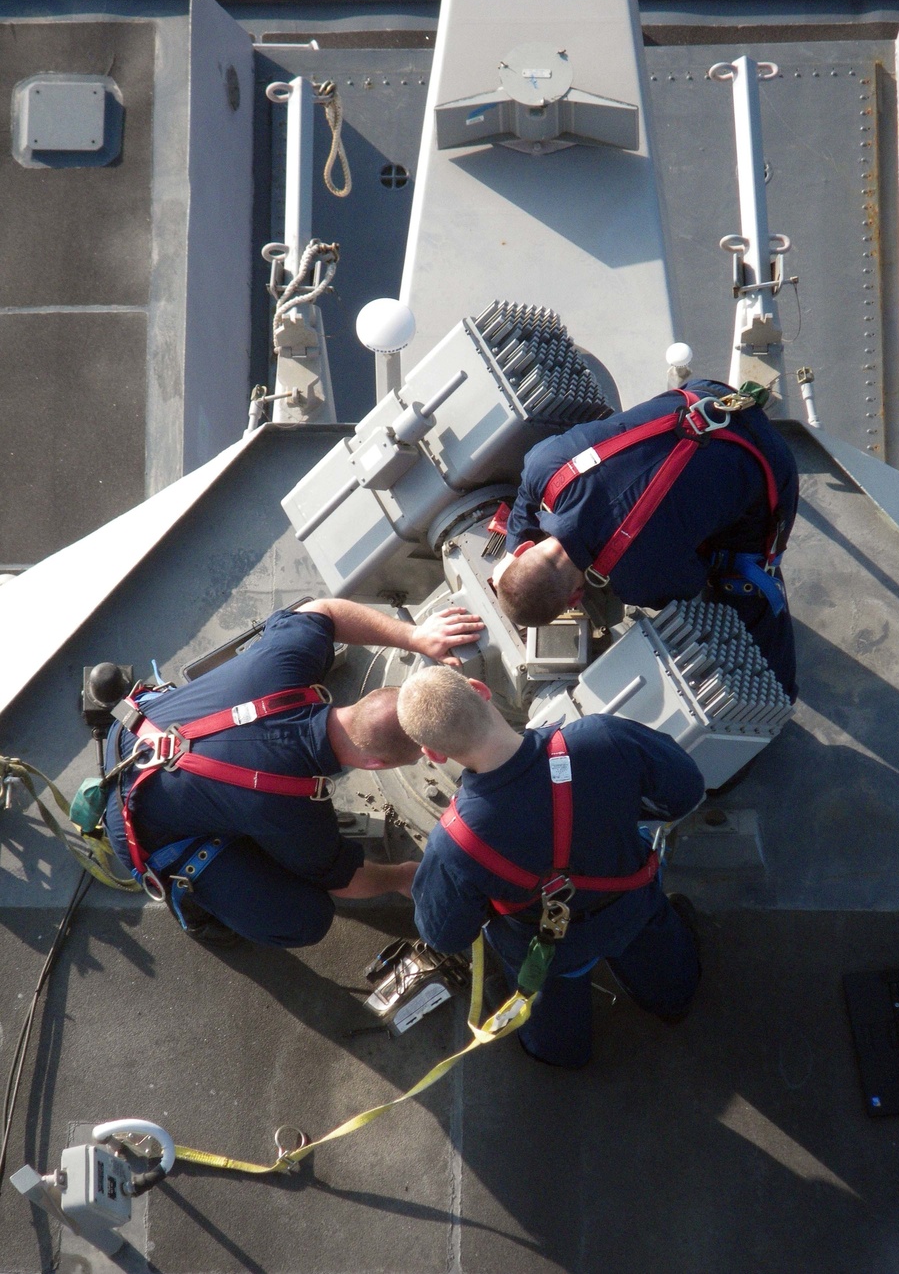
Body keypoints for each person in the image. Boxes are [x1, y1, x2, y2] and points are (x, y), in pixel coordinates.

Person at [102, 599, 483, 948]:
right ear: (375, 764)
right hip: (136, 827)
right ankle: (200, 900)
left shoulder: (284, 664)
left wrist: (416, 636)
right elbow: (345, 881)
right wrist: (402, 876)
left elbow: (324, 611)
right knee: (305, 919)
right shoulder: (290, 807)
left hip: (130, 729)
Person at [397, 667, 705, 1069]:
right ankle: (673, 1002)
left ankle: (562, 1053)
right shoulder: (602, 738)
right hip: (633, 905)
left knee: (548, 1003)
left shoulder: (456, 841)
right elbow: (685, 791)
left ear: (434, 754)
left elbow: (446, 933)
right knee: (664, 962)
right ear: (480, 689)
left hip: (548, 947)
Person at [496, 380, 800, 698]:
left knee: (738, 581)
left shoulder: (639, 581)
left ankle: (779, 691)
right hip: (710, 396)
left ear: (574, 599)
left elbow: (694, 581)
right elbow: (526, 498)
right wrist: (511, 546)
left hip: (767, 459)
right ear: (526, 549)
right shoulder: (544, 467)